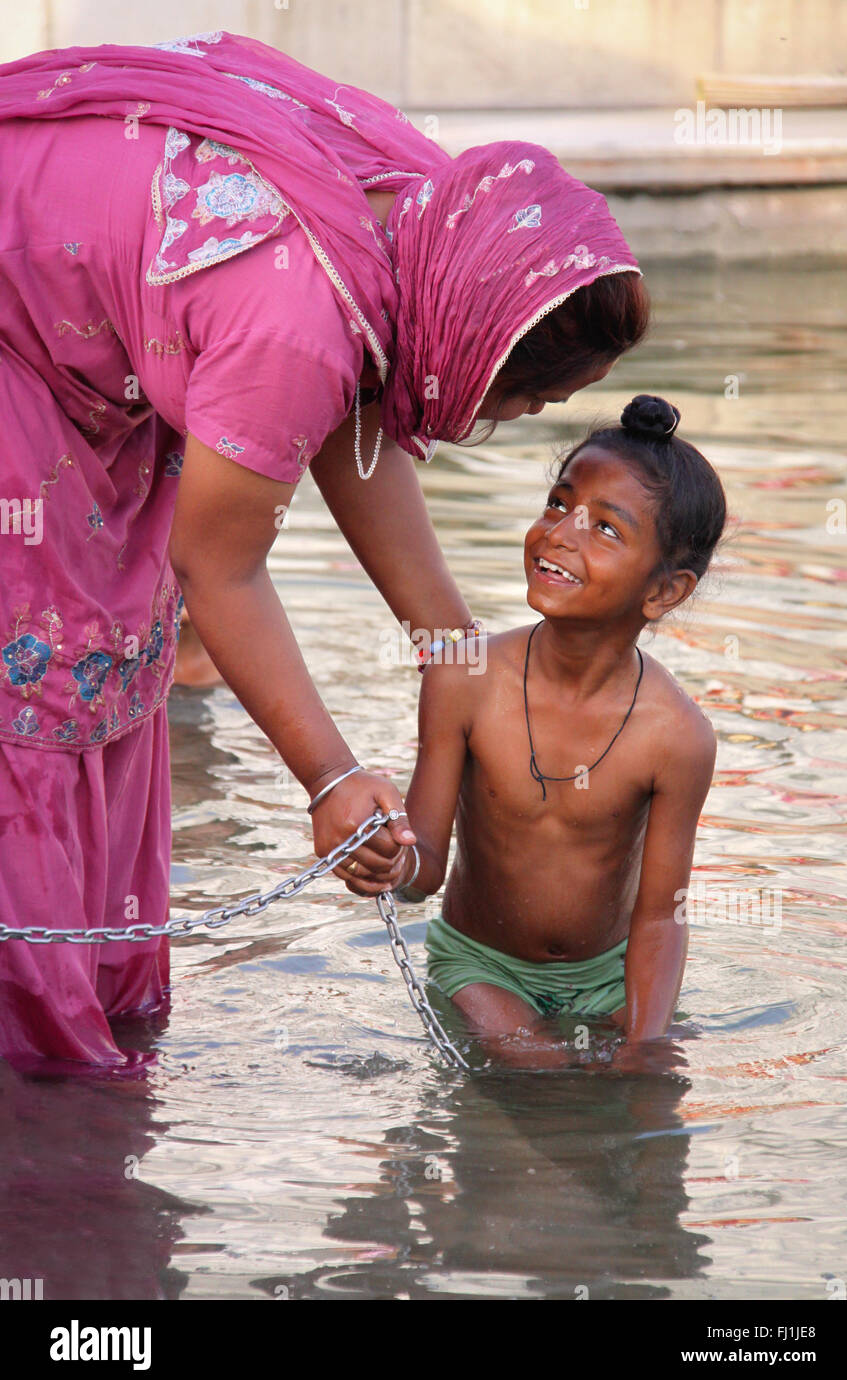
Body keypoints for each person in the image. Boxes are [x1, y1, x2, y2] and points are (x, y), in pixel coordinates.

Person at [0, 31, 648, 1065]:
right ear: (474, 331)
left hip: (89, 306)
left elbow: (355, 403)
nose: (517, 418)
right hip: (17, 338)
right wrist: (330, 779)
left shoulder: (427, 220)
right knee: (41, 682)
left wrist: (450, 648)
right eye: (529, 394)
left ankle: (102, 1007)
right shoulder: (290, 311)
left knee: (114, 659)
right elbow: (217, 565)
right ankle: (38, 1065)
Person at [343, 396, 726, 1069]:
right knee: (541, 1074)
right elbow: (423, 868)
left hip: (608, 974)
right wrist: (390, 860)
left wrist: (645, 1042)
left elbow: (662, 917)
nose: (561, 534)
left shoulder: (677, 737)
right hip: (482, 966)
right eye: (558, 504)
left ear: (665, 593)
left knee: (651, 1094)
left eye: (606, 530)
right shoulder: (464, 678)